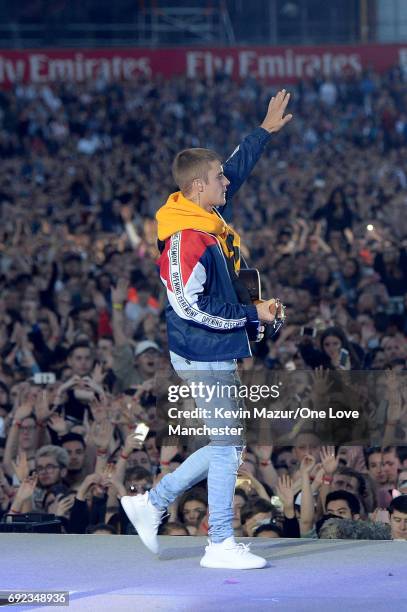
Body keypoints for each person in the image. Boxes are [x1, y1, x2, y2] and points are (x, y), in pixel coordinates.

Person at [120, 90, 292, 569]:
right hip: (201, 350)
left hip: (215, 347)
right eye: (217, 178)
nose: (226, 182)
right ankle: (217, 542)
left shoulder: (203, 213)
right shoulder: (184, 239)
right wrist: (251, 315)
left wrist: (264, 132)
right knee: (226, 445)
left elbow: (235, 169)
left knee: (227, 442)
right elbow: (190, 308)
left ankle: (151, 503)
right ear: (198, 187)